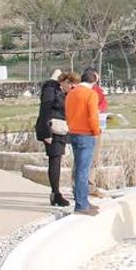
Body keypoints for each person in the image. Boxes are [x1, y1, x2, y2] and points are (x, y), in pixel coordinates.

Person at [35, 70, 78, 207]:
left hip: (62, 129)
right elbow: (45, 110)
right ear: (66, 81)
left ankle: (56, 193)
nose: (72, 89)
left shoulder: (63, 91)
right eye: (71, 86)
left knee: (57, 159)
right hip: (52, 129)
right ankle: (55, 193)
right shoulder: (50, 89)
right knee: (55, 160)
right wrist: (46, 133)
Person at [65, 70, 101, 216]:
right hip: (86, 134)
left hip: (73, 132)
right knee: (83, 171)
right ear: (94, 81)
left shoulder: (71, 93)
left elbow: (68, 114)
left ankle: (83, 201)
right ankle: (81, 205)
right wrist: (96, 131)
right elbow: (93, 116)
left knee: (78, 168)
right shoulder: (91, 94)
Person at [84, 67, 109, 198]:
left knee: (93, 158)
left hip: (97, 126)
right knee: (87, 158)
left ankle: (89, 185)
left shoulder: (98, 91)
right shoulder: (86, 91)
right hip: (89, 129)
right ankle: (86, 186)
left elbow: (104, 105)